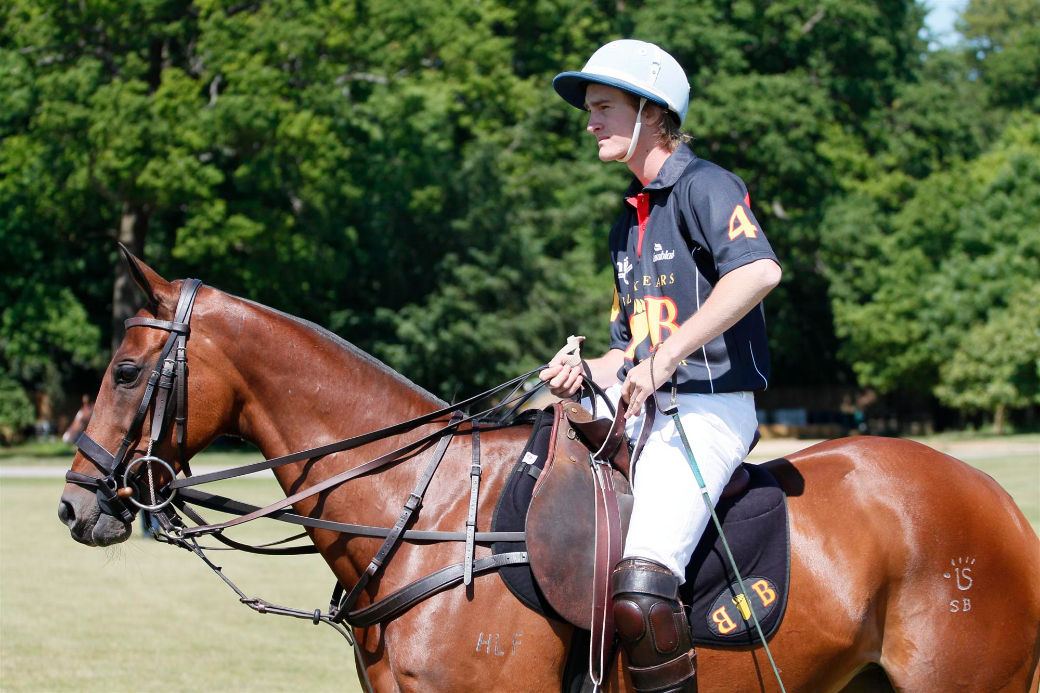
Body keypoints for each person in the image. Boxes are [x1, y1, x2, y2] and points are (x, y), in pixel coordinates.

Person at [543, 40, 782, 692]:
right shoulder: (628, 221)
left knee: (641, 587)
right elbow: (627, 348)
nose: (590, 123)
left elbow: (758, 271)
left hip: (706, 409)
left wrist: (667, 356)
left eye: (603, 107)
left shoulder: (706, 185)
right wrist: (578, 371)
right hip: (644, 408)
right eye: (589, 110)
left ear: (650, 111)